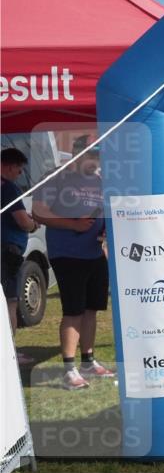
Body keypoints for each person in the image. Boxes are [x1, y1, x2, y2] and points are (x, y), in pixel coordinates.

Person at [32, 140, 114, 390]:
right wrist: (73, 224)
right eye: (94, 156)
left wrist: (106, 232)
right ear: (79, 155)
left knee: (91, 309)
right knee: (73, 311)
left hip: (94, 254)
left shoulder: (99, 180)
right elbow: (38, 211)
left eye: (100, 157)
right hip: (68, 255)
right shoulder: (56, 176)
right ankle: (69, 370)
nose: (98, 162)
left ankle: (88, 360)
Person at [1, 148, 39, 362]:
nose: (19, 174)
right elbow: (22, 221)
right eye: (19, 170)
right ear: (9, 166)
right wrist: (33, 225)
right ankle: (9, 352)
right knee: (10, 302)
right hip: (7, 252)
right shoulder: (9, 189)